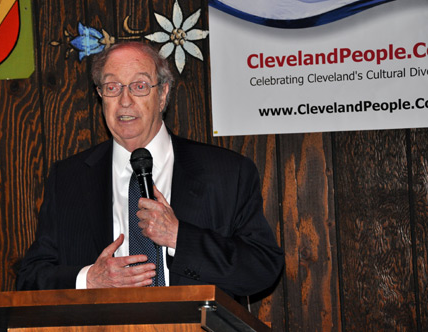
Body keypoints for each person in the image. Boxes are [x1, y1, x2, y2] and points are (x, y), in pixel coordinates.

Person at [16, 41, 284, 300]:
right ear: (100, 95)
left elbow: (261, 269)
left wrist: (179, 237)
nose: (124, 100)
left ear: (163, 93)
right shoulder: (68, 178)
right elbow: (29, 280)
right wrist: (89, 279)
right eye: (112, 87)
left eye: (140, 86)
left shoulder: (227, 172)